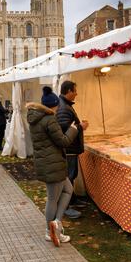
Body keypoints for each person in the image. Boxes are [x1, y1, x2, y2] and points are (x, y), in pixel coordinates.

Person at [26, 86, 78, 246]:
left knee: (68, 190)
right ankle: (50, 231)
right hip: (53, 164)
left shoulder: (36, 118)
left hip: (48, 162)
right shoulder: (49, 119)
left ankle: (56, 222)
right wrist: (74, 129)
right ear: (53, 106)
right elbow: (63, 141)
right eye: (56, 105)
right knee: (52, 198)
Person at [56, 81, 89, 219]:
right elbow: (64, 129)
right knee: (69, 176)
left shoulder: (65, 105)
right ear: (68, 91)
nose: (76, 93)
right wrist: (80, 126)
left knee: (71, 175)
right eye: (75, 91)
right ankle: (65, 206)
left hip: (70, 149)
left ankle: (72, 199)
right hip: (68, 149)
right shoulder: (64, 107)